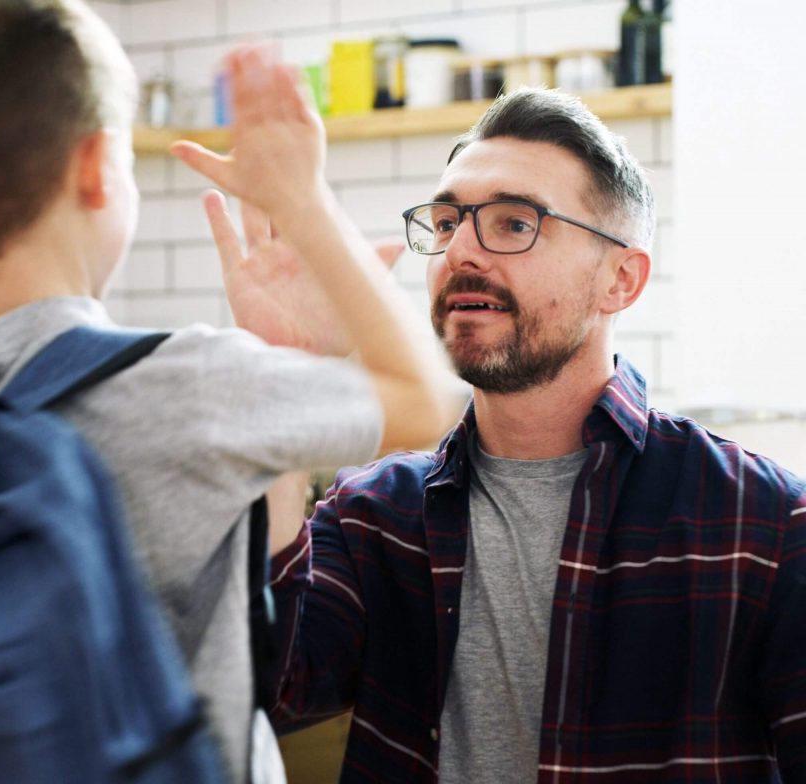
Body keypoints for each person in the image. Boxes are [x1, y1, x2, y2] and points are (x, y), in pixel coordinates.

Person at [0, 5, 465, 783]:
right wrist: (303, 203)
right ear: (99, 167)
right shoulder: (193, 385)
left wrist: (279, 356)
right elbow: (425, 395)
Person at [191, 87, 806, 783]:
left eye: (514, 223)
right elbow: (265, 689)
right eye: (448, 221)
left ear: (621, 279)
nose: (461, 252)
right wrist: (286, 372)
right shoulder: (378, 517)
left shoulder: (765, 527)